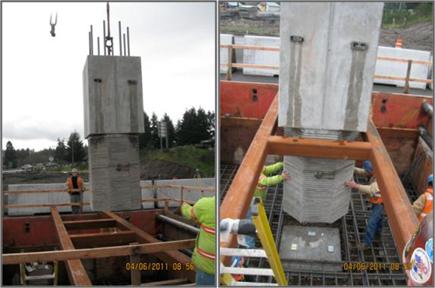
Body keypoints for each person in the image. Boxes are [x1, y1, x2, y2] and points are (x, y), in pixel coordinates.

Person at [345, 160, 383, 250]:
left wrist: (355, 185)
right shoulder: (374, 171)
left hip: (381, 204)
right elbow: (363, 171)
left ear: (373, 170)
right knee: (379, 219)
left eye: (368, 171)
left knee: (371, 223)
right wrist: (351, 168)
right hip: (377, 201)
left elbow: (371, 190)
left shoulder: (380, 178)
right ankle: (378, 234)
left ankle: (366, 244)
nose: (367, 173)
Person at [181, 196, 215, 286]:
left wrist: (183, 205)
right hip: (230, 266)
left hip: (207, 266)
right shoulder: (240, 207)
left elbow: (188, 213)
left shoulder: (205, 204)